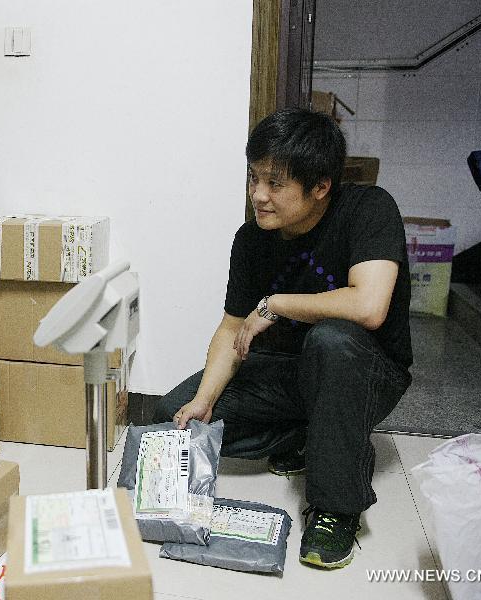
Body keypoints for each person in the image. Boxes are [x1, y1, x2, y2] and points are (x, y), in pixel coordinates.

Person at [153, 108, 412, 569]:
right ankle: (309, 434)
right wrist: (206, 399)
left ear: (320, 187)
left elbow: (369, 306)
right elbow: (231, 327)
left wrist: (276, 304)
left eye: (275, 184)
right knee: (174, 418)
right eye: (254, 179)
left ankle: (336, 506)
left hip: (365, 370)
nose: (258, 195)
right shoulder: (251, 239)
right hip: (290, 375)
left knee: (330, 341)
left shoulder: (368, 209)